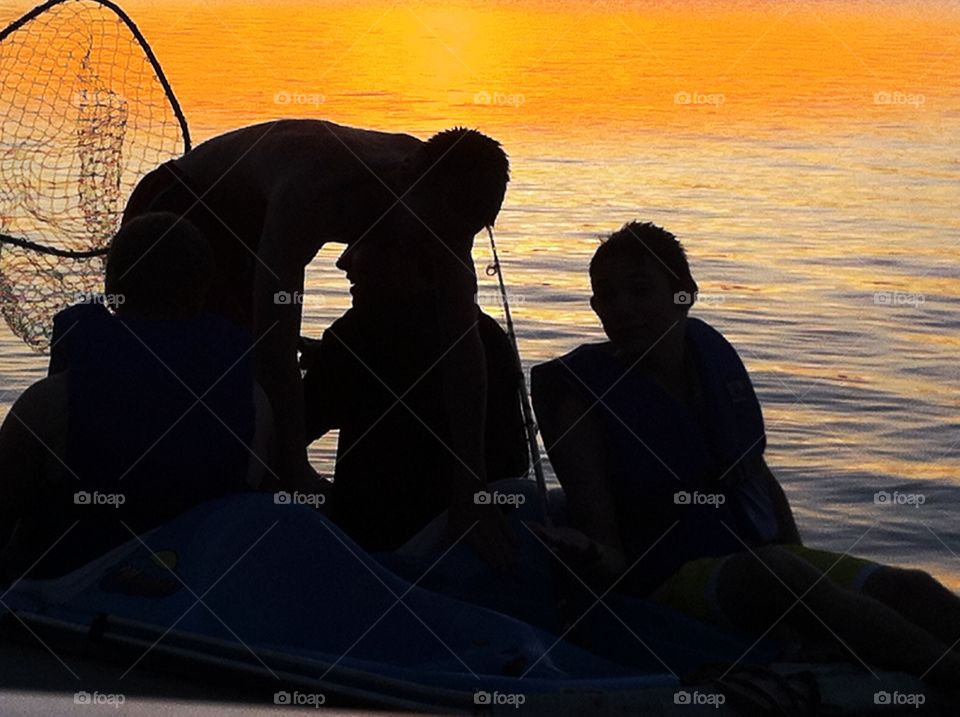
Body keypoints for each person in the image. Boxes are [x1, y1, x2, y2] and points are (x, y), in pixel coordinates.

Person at [529, 221, 960, 684]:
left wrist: (799, 558)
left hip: (759, 564)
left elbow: (756, 475)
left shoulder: (710, 359)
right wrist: (587, 552)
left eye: (639, 290)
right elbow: (611, 553)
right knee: (777, 573)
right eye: (608, 297)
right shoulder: (583, 405)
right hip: (666, 583)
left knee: (909, 587)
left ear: (684, 296)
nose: (623, 309)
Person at [121, 119, 516, 568]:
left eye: (454, 240)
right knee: (211, 368)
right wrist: (295, 469)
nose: (442, 249)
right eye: (429, 235)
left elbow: (462, 350)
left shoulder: (445, 207)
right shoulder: (318, 189)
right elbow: (274, 346)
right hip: (186, 205)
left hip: (257, 225)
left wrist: (472, 482)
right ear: (404, 180)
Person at [0, 213, 272, 582]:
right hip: (193, 605)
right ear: (204, 289)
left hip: (66, 613)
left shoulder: (49, 402)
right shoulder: (254, 402)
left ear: (112, 286)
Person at [299, 233, 529, 552]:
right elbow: (514, 461)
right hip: (474, 549)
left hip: (375, 551)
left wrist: (284, 370)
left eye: (363, 242)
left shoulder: (358, 335)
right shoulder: (487, 335)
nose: (343, 261)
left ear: (413, 257)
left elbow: (288, 433)